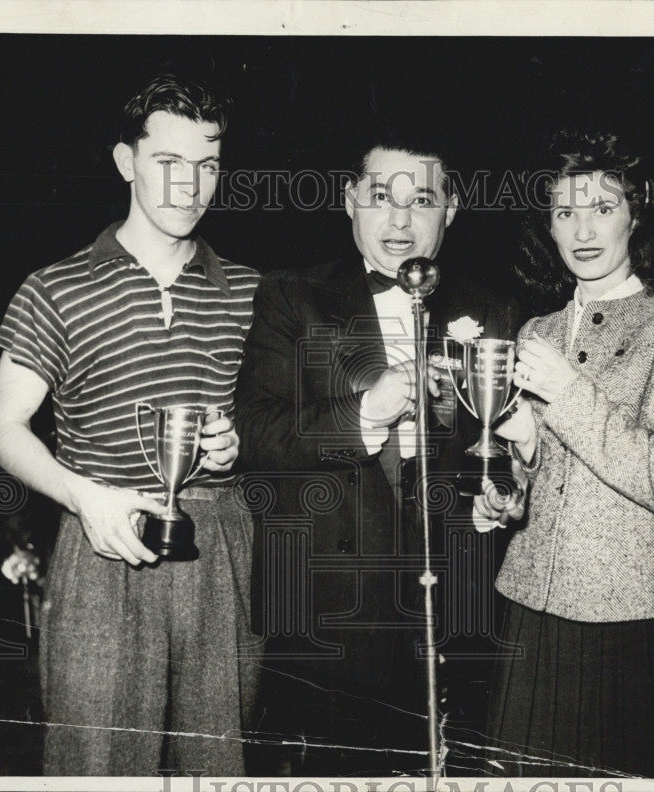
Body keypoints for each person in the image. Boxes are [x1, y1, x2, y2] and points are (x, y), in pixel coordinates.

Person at [0, 74, 260, 775]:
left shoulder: (255, 293)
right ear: (125, 161)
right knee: (95, 766)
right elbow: (2, 428)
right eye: (168, 163)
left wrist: (239, 444)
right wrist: (86, 497)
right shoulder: (55, 287)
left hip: (219, 547)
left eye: (208, 166)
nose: (189, 186)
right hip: (100, 542)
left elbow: (282, 425)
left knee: (214, 766)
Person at [234, 140, 518, 776]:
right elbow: (254, 432)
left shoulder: (489, 307)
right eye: (381, 198)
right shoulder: (290, 296)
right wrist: (366, 413)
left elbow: (492, 448)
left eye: (421, 200)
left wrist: (499, 494)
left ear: (451, 210)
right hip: (324, 614)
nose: (400, 221)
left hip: (455, 613)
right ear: (349, 203)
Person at [477, 130, 654, 777]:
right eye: (565, 211)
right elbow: (543, 480)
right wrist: (514, 484)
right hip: (529, 611)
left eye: (602, 206)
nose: (582, 229)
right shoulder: (536, 329)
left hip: (632, 620)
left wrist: (567, 391)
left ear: (637, 214)